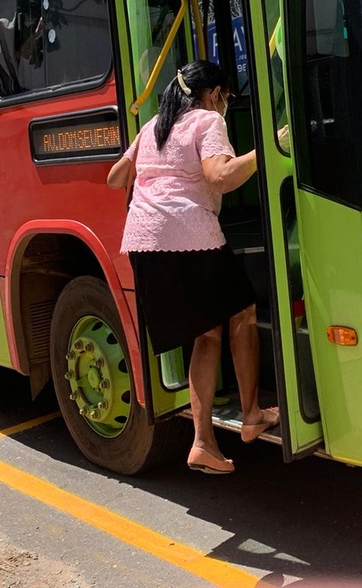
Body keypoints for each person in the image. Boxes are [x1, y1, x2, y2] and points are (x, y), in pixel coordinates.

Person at [108, 59, 277, 474]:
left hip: (144, 244)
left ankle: (203, 442)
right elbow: (220, 177)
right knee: (242, 312)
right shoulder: (206, 121)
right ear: (214, 93)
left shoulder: (152, 127)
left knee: (207, 333)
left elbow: (116, 177)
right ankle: (252, 415)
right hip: (189, 237)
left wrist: (153, 173)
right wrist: (267, 149)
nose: (226, 104)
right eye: (227, 97)